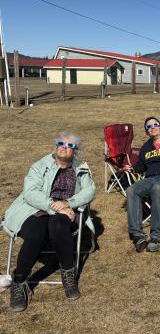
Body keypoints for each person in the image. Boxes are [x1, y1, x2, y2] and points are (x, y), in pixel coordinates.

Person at [2, 132, 96, 312]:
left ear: (75, 151)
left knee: (58, 225)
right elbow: (30, 193)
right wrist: (54, 206)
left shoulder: (80, 167)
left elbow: (89, 191)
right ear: (55, 146)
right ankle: (19, 281)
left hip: (66, 212)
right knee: (36, 233)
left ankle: (68, 275)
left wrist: (68, 203)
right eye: (61, 143)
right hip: (35, 209)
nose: (63, 147)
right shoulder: (40, 165)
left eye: (69, 146)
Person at [126, 117, 160, 253]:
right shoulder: (146, 147)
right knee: (131, 190)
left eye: (155, 124)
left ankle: (156, 236)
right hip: (150, 178)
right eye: (149, 126)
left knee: (158, 188)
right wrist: (132, 168)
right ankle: (137, 235)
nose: (152, 127)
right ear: (146, 132)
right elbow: (140, 167)